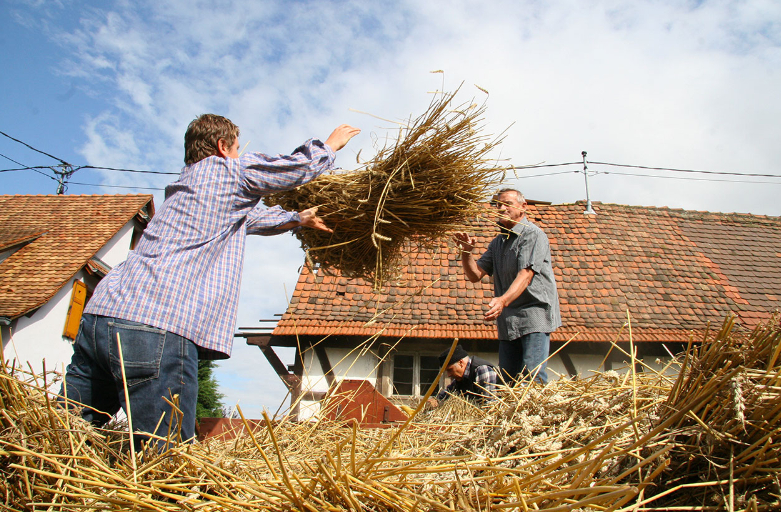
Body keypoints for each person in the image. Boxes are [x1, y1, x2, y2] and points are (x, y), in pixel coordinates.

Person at [63, 114, 360, 447]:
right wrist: (329, 146)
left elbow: (249, 218)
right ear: (222, 147)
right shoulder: (223, 171)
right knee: (165, 455)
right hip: (154, 325)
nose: (237, 155)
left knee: (67, 437)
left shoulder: (187, 188)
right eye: (235, 149)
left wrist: (296, 218)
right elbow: (288, 171)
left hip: (100, 318)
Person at [453, 188, 561, 384]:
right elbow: (475, 275)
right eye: (497, 205)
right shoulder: (498, 243)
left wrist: (502, 300)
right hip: (508, 321)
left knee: (532, 377)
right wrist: (466, 253)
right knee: (508, 382)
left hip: (534, 315)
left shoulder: (533, 235)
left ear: (523, 207)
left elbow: (526, 274)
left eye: (507, 204)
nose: (501, 208)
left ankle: (533, 415)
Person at [427, 344, 500, 407]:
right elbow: (447, 393)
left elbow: (489, 405)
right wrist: (435, 401)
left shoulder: (482, 370)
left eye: (450, 369)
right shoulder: (461, 377)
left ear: (461, 363)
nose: (449, 375)